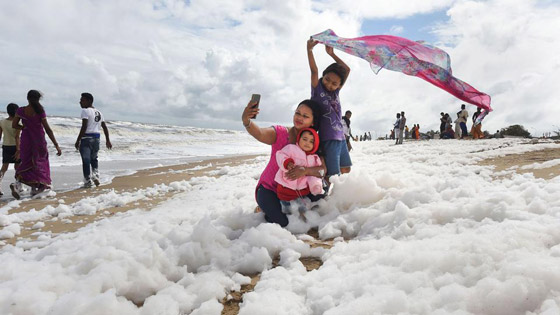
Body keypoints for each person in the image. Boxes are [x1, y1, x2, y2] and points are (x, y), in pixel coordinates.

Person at [242, 98, 325, 227]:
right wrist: (247, 121)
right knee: (283, 223)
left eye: (305, 116)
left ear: (313, 121)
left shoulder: (313, 142)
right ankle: (263, 208)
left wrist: (306, 171)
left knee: (312, 210)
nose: (299, 118)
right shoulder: (281, 133)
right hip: (269, 189)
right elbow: (259, 133)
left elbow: (322, 170)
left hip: (295, 193)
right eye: (297, 113)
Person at [307, 38, 352, 184]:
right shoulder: (317, 89)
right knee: (333, 176)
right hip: (328, 138)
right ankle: (323, 195)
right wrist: (309, 50)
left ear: (339, 85)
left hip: (341, 138)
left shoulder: (336, 92)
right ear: (323, 76)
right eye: (327, 79)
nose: (329, 84)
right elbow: (314, 70)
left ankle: (324, 184)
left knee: (346, 169)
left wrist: (331, 54)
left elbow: (347, 70)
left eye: (334, 83)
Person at [10, 90, 62, 199]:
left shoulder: (21, 110)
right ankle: (38, 188)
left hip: (26, 140)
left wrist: (23, 127)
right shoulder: (40, 111)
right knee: (40, 163)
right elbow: (48, 129)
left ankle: (17, 184)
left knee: (26, 162)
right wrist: (56, 145)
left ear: (27, 98)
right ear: (38, 99)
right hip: (38, 141)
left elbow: (14, 125)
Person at [275, 128, 323, 220]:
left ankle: (305, 213)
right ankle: (293, 215)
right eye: (304, 139)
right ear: (299, 139)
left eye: (311, 141)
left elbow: (317, 174)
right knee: (286, 208)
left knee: (302, 203)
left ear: (315, 145)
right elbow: (280, 155)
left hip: (301, 191)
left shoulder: (314, 158)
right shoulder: (291, 149)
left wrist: (316, 185)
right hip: (286, 189)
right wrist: (287, 163)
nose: (307, 143)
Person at [75, 93, 112, 188]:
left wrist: (78, 140)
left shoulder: (85, 111)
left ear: (89, 101)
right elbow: (104, 127)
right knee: (94, 159)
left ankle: (87, 181)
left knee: (86, 160)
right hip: (96, 138)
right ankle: (95, 175)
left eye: (82, 100)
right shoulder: (99, 112)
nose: (80, 102)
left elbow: (84, 126)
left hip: (87, 138)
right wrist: (108, 140)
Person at [0, 103, 21, 195]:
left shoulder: (2, 122)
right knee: (18, 167)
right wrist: (18, 150)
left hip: (6, 146)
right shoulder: (18, 123)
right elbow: (17, 137)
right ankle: (18, 186)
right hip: (16, 147)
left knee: (4, 167)